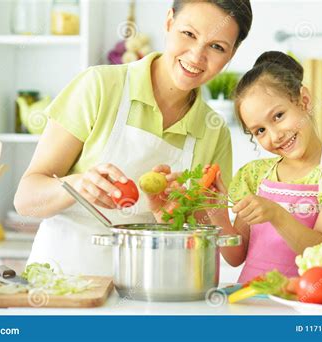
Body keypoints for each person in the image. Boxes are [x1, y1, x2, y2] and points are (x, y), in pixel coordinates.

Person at [14, 0, 253, 275]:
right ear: (169, 22)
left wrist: (176, 218)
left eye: (217, 47)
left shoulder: (214, 130)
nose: (197, 56)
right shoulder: (99, 86)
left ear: (232, 54)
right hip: (62, 283)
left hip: (149, 293)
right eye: (188, 34)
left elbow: (220, 247)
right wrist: (78, 185)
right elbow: (26, 200)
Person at [206, 51, 322, 282]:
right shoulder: (254, 175)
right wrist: (218, 214)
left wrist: (276, 214)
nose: (275, 136)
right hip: (250, 302)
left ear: (304, 101)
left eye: (278, 116)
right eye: (259, 131)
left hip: (304, 306)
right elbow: (235, 256)